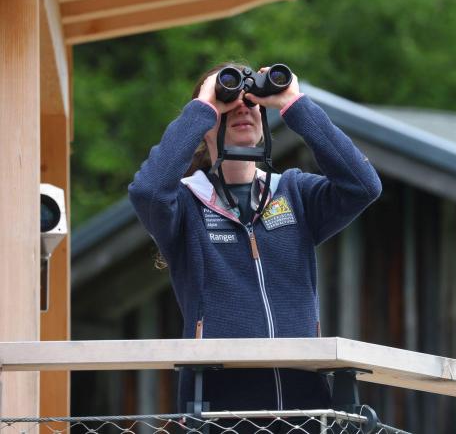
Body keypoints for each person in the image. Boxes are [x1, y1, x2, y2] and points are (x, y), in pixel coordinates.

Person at [129, 62, 382, 414]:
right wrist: (203, 107)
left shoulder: (293, 193)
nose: (242, 107)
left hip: (304, 406)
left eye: (252, 101)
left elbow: (363, 185)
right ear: (204, 125)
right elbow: (148, 192)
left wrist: (295, 103)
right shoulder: (186, 205)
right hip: (220, 407)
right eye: (227, 102)